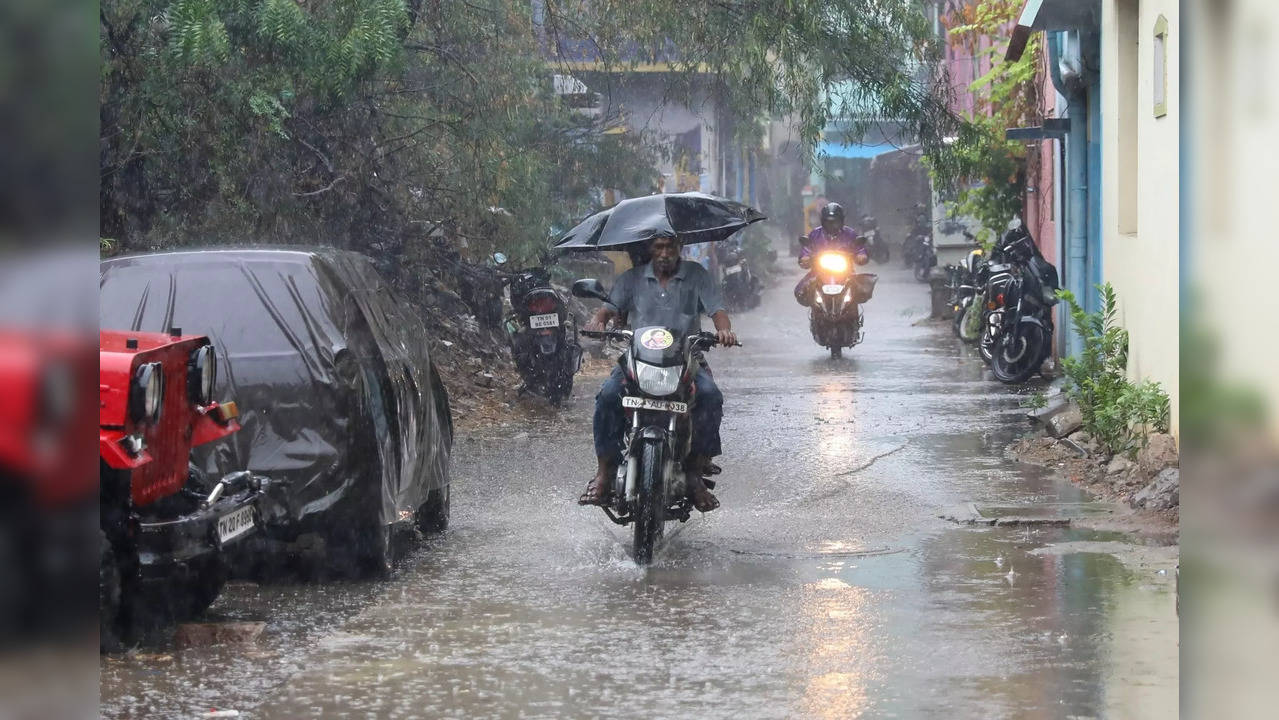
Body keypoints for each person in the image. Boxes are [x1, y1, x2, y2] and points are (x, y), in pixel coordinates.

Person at [579, 233, 738, 513]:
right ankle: (603, 473)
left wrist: (724, 329)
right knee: (607, 397)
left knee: (711, 397)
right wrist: (597, 321)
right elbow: (607, 310)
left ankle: (694, 472)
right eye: (659, 246)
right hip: (637, 357)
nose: (665, 253)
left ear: (680, 248)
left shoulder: (696, 275)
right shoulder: (631, 278)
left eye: (670, 246)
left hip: (686, 356)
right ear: (650, 249)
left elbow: (717, 310)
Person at [794, 202, 868, 305]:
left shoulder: (849, 233)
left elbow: (859, 247)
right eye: (829, 222)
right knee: (801, 291)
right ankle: (816, 312)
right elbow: (807, 248)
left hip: (846, 273)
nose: (832, 225)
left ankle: (854, 316)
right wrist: (805, 257)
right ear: (823, 222)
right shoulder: (815, 234)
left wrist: (861, 255)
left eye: (835, 222)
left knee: (862, 290)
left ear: (841, 221)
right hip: (819, 272)